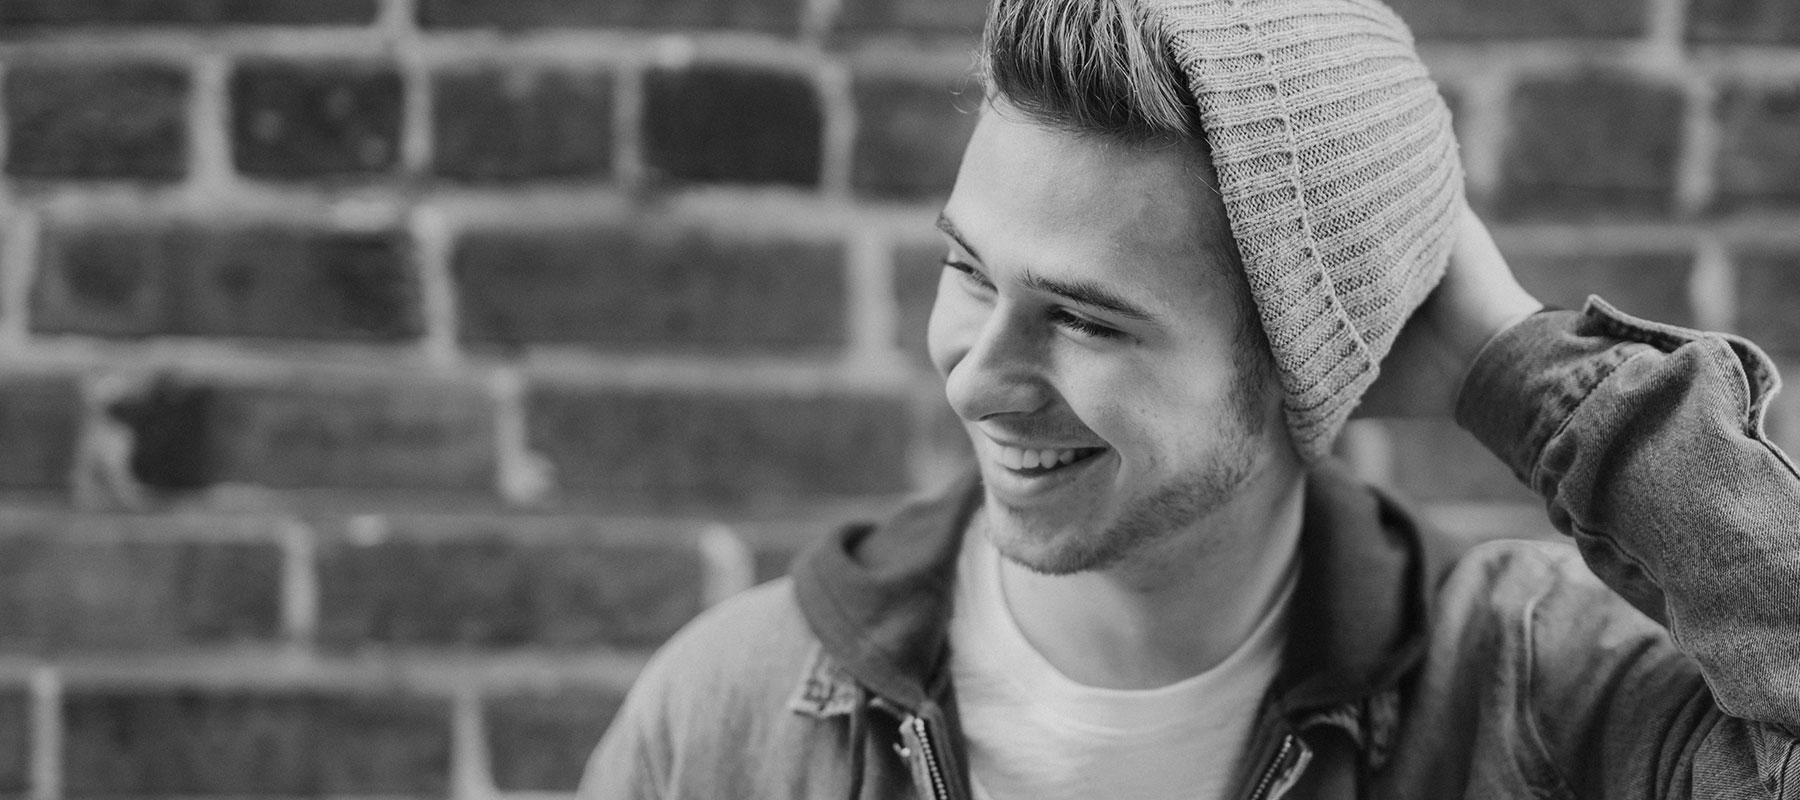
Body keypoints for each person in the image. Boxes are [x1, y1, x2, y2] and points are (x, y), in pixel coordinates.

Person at [581, 0, 1800, 797]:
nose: (973, 372)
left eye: (1083, 317)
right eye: (967, 269)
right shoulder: (737, 714)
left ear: (1302, 364)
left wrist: (1516, 366)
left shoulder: (1536, 697)